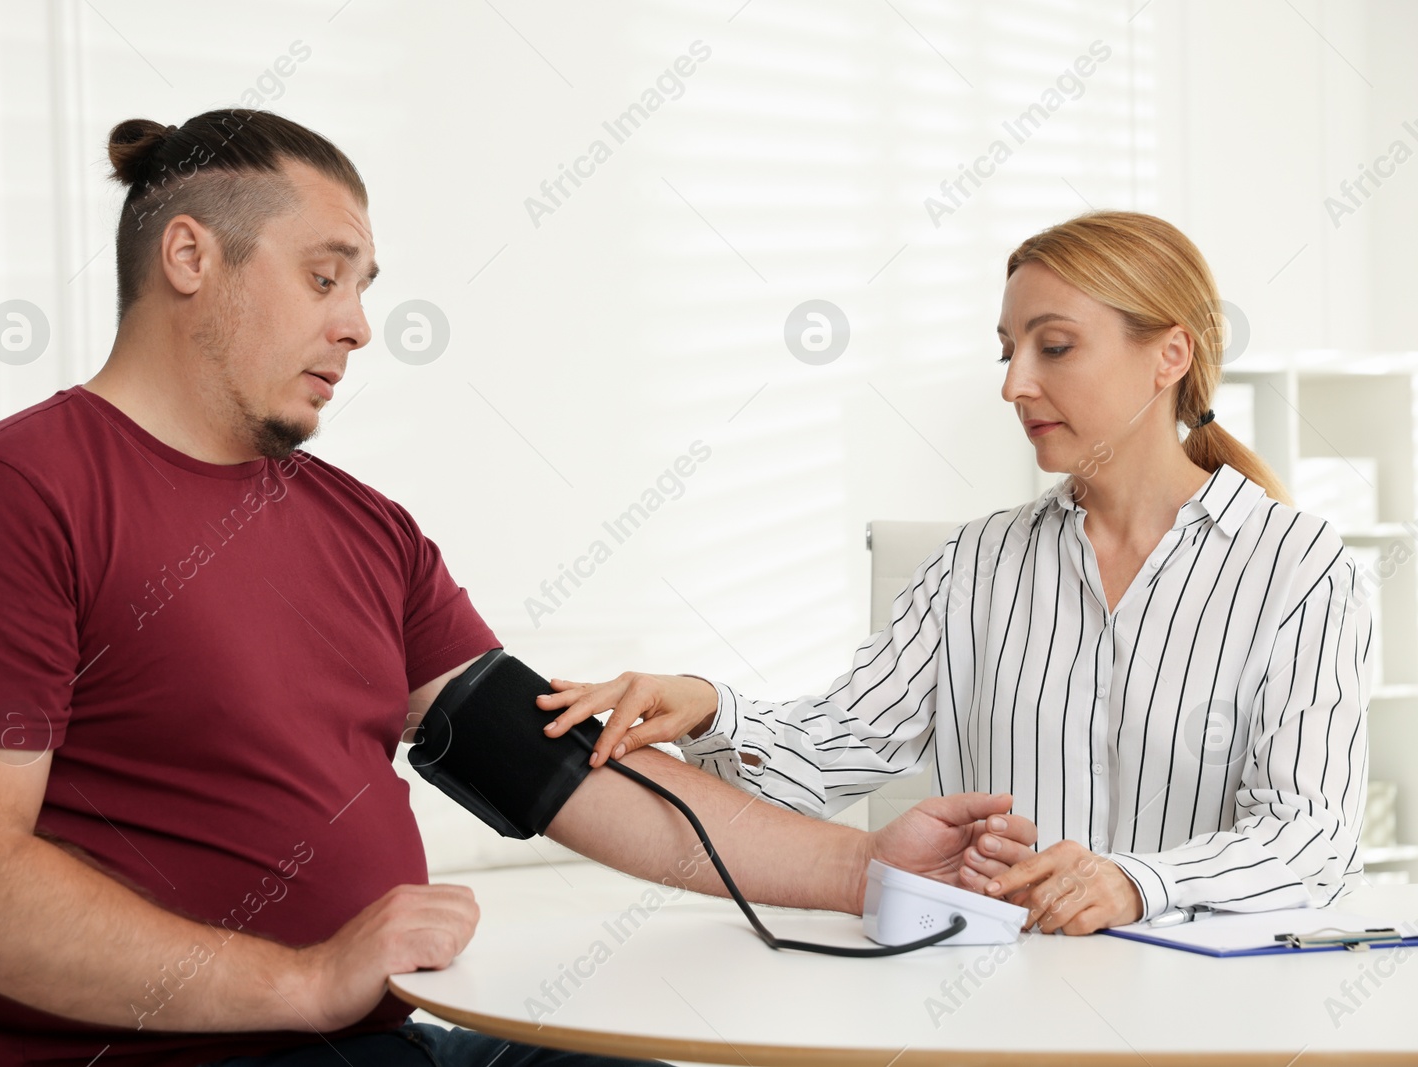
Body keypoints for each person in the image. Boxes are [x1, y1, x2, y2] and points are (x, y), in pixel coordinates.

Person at [0, 109, 1038, 1067]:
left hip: (370, 1041)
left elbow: (560, 769)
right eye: (326, 276)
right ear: (189, 257)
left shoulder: (361, 527)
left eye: (363, 284)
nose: (359, 325)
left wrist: (864, 865)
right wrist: (303, 979)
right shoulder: (14, 500)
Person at [541, 210, 1372, 937]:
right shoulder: (975, 563)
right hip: (993, 1001)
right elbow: (825, 757)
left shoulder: (1299, 569)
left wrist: (1132, 884)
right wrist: (708, 707)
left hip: (1207, 1019)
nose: (1015, 383)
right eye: (1009, 351)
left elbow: (1310, 836)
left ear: (1170, 357)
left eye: (1055, 346)